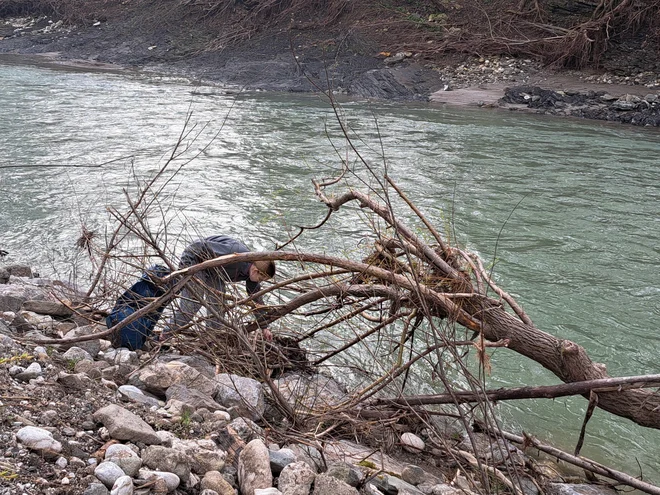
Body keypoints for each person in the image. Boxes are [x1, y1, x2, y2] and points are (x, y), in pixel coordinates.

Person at [163, 235, 275, 340]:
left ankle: (211, 339)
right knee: (192, 305)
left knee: (218, 307)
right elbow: (197, 247)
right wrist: (187, 269)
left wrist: (264, 327)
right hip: (195, 261)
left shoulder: (252, 275)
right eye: (261, 279)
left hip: (215, 271)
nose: (259, 282)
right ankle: (164, 336)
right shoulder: (233, 253)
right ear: (255, 271)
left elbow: (256, 300)